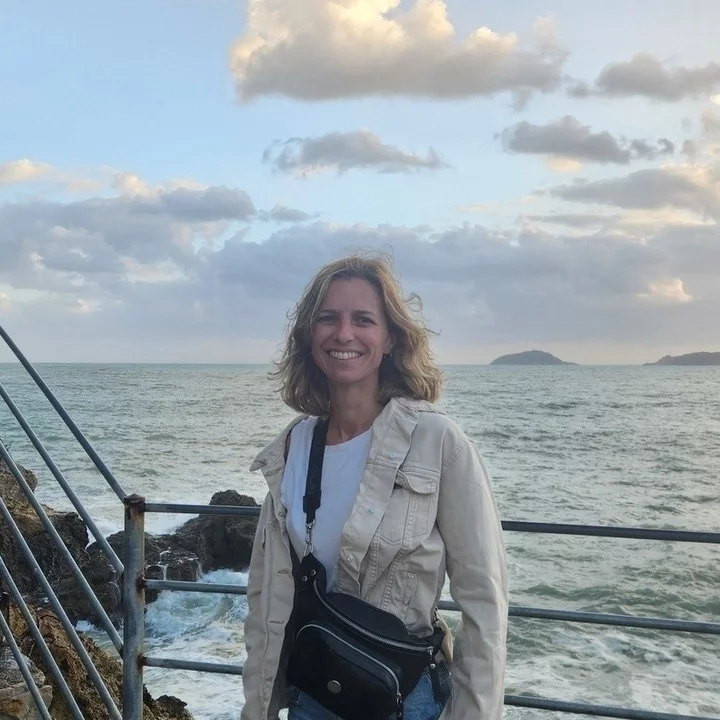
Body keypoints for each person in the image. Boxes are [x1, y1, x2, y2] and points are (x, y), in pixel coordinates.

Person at [241, 254, 508, 720]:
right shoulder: (292, 448)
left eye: (363, 319)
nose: (344, 334)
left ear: (391, 339)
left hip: (405, 702)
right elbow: (264, 598)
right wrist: (257, 708)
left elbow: (485, 600)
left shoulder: (437, 442)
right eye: (328, 318)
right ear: (309, 336)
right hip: (313, 698)